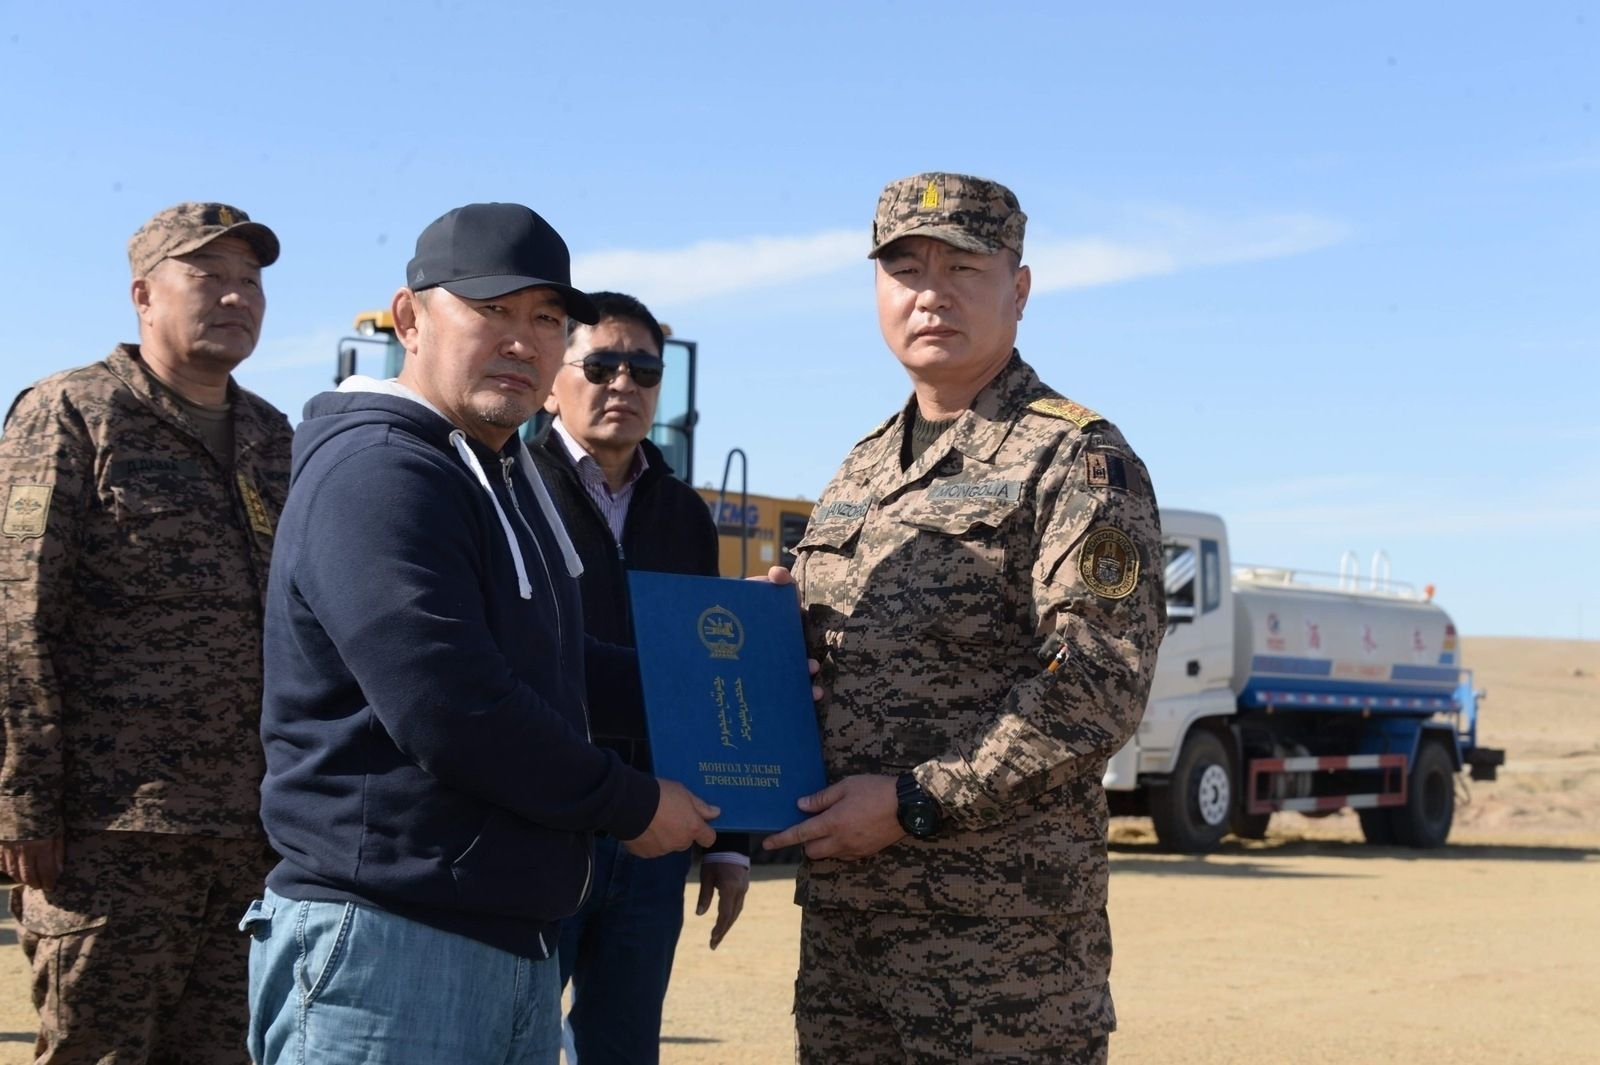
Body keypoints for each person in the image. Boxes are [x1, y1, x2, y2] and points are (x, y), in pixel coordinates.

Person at [245, 203, 719, 1065]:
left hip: (505, 940)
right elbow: (450, 703)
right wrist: (633, 802)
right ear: (411, 317)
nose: (523, 339)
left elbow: (556, 669)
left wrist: (728, 686)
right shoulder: (380, 471)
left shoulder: (495, 471)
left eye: (546, 318)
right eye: (491, 309)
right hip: (386, 946)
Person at [764, 173, 1166, 1064]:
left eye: (964, 267)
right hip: (850, 945)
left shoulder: (1077, 457)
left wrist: (914, 801)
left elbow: (1096, 684)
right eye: (906, 267)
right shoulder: (859, 472)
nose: (932, 292)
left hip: (1003, 968)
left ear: (1018, 288)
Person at [0, 202, 290, 1063]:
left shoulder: (275, 438)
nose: (235, 297)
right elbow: (18, 613)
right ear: (144, 295)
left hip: (252, 832)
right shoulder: (72, 412)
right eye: (209, 276)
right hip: (107, 833)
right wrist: (23, 798)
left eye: (250, 281)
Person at [530, 291, 749, 1065]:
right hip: (537, 825)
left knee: (623, 1050)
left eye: (644, 369)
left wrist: (729, 842)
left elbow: (711, 679)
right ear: (554, 375)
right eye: (600, 364)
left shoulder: (685, 515)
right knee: (507, 1042)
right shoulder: (508, 491)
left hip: (656, 834)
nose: (623, 382)